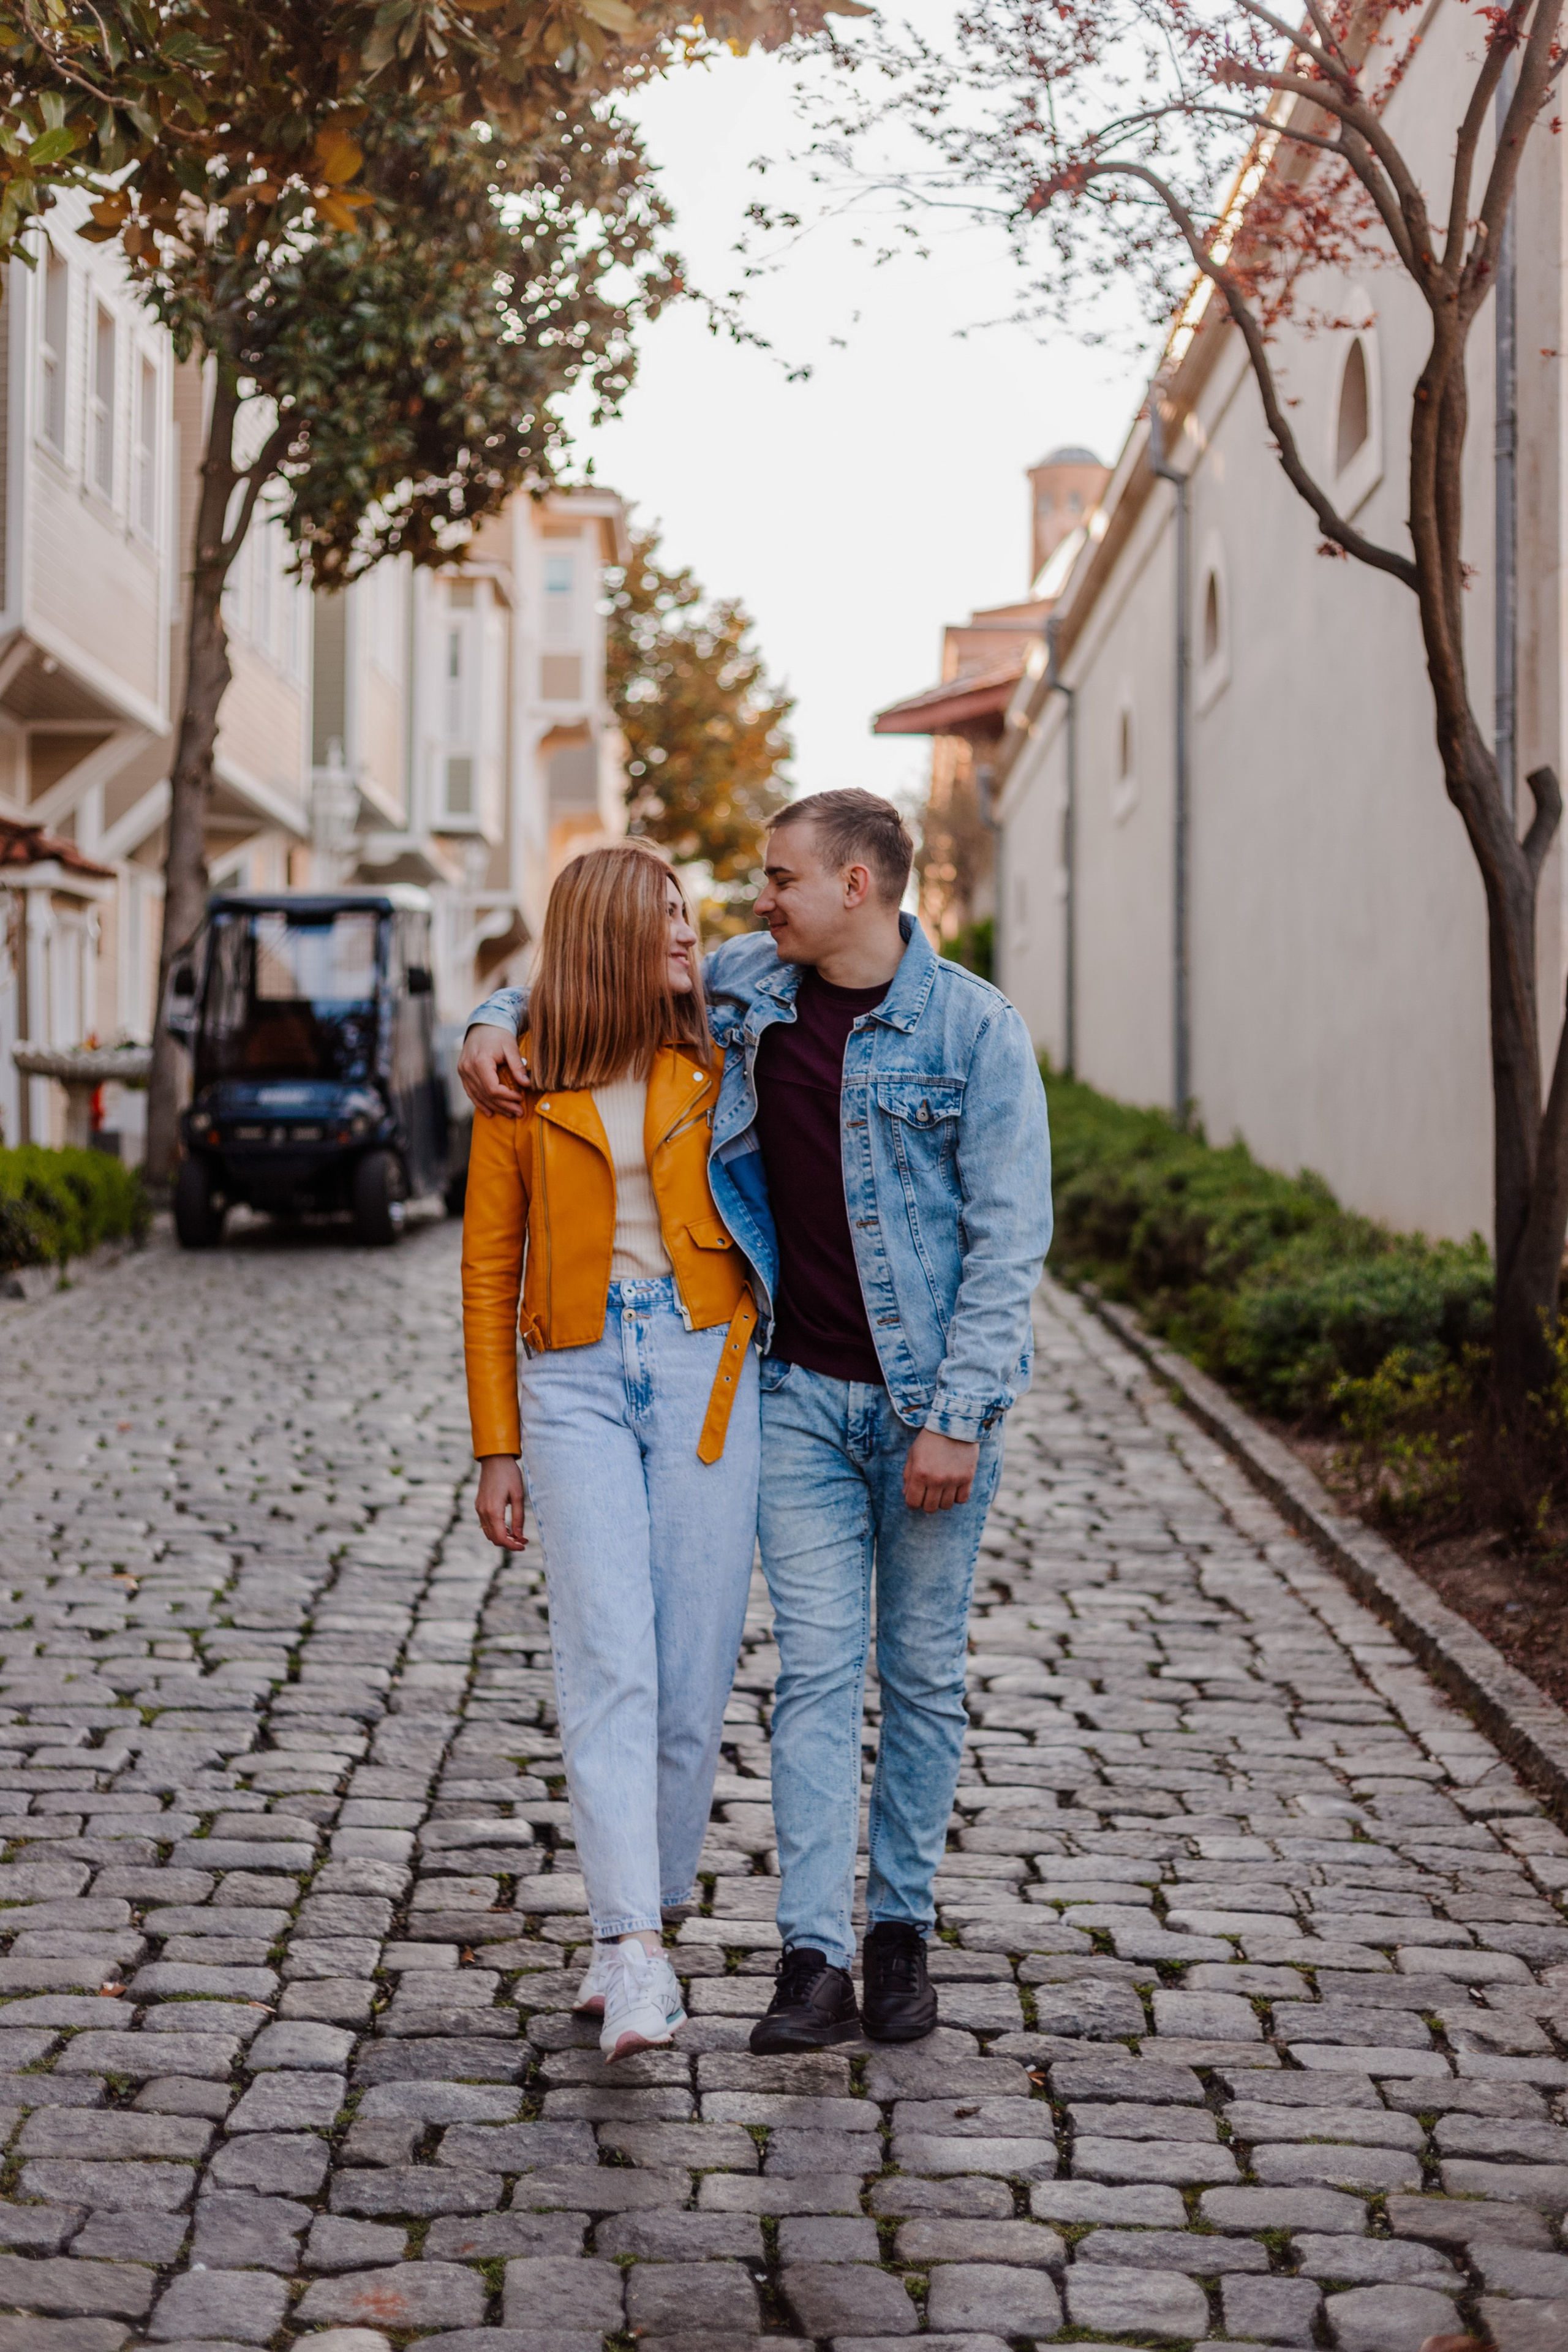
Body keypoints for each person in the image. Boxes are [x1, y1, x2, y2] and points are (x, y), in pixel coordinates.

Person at [461, 790, 1052, 2051]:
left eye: (776, 878)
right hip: (787, 1397)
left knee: (924, 1677)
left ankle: (898, 1933)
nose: (751, 902)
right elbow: (578, 973)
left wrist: (955, 1415)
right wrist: (485, 1016)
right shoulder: (749, 988)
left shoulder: (972, 1028)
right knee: (813, 1679)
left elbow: (1009, 1242)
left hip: (915, 1409)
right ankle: (807, 1956)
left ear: (854, 886)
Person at [461, 842, 761, 2062]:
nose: (689, 939)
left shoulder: (726, 1046)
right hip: (570, 1374)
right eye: (665, 922)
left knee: (691, 1675)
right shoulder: (521, 1082)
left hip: (705, 1366)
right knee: (608, 1663)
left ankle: (654, 1905)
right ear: (604, 940)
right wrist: (497, 1448)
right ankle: (631, 1946)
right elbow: (488, 1270)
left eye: (691, 918)